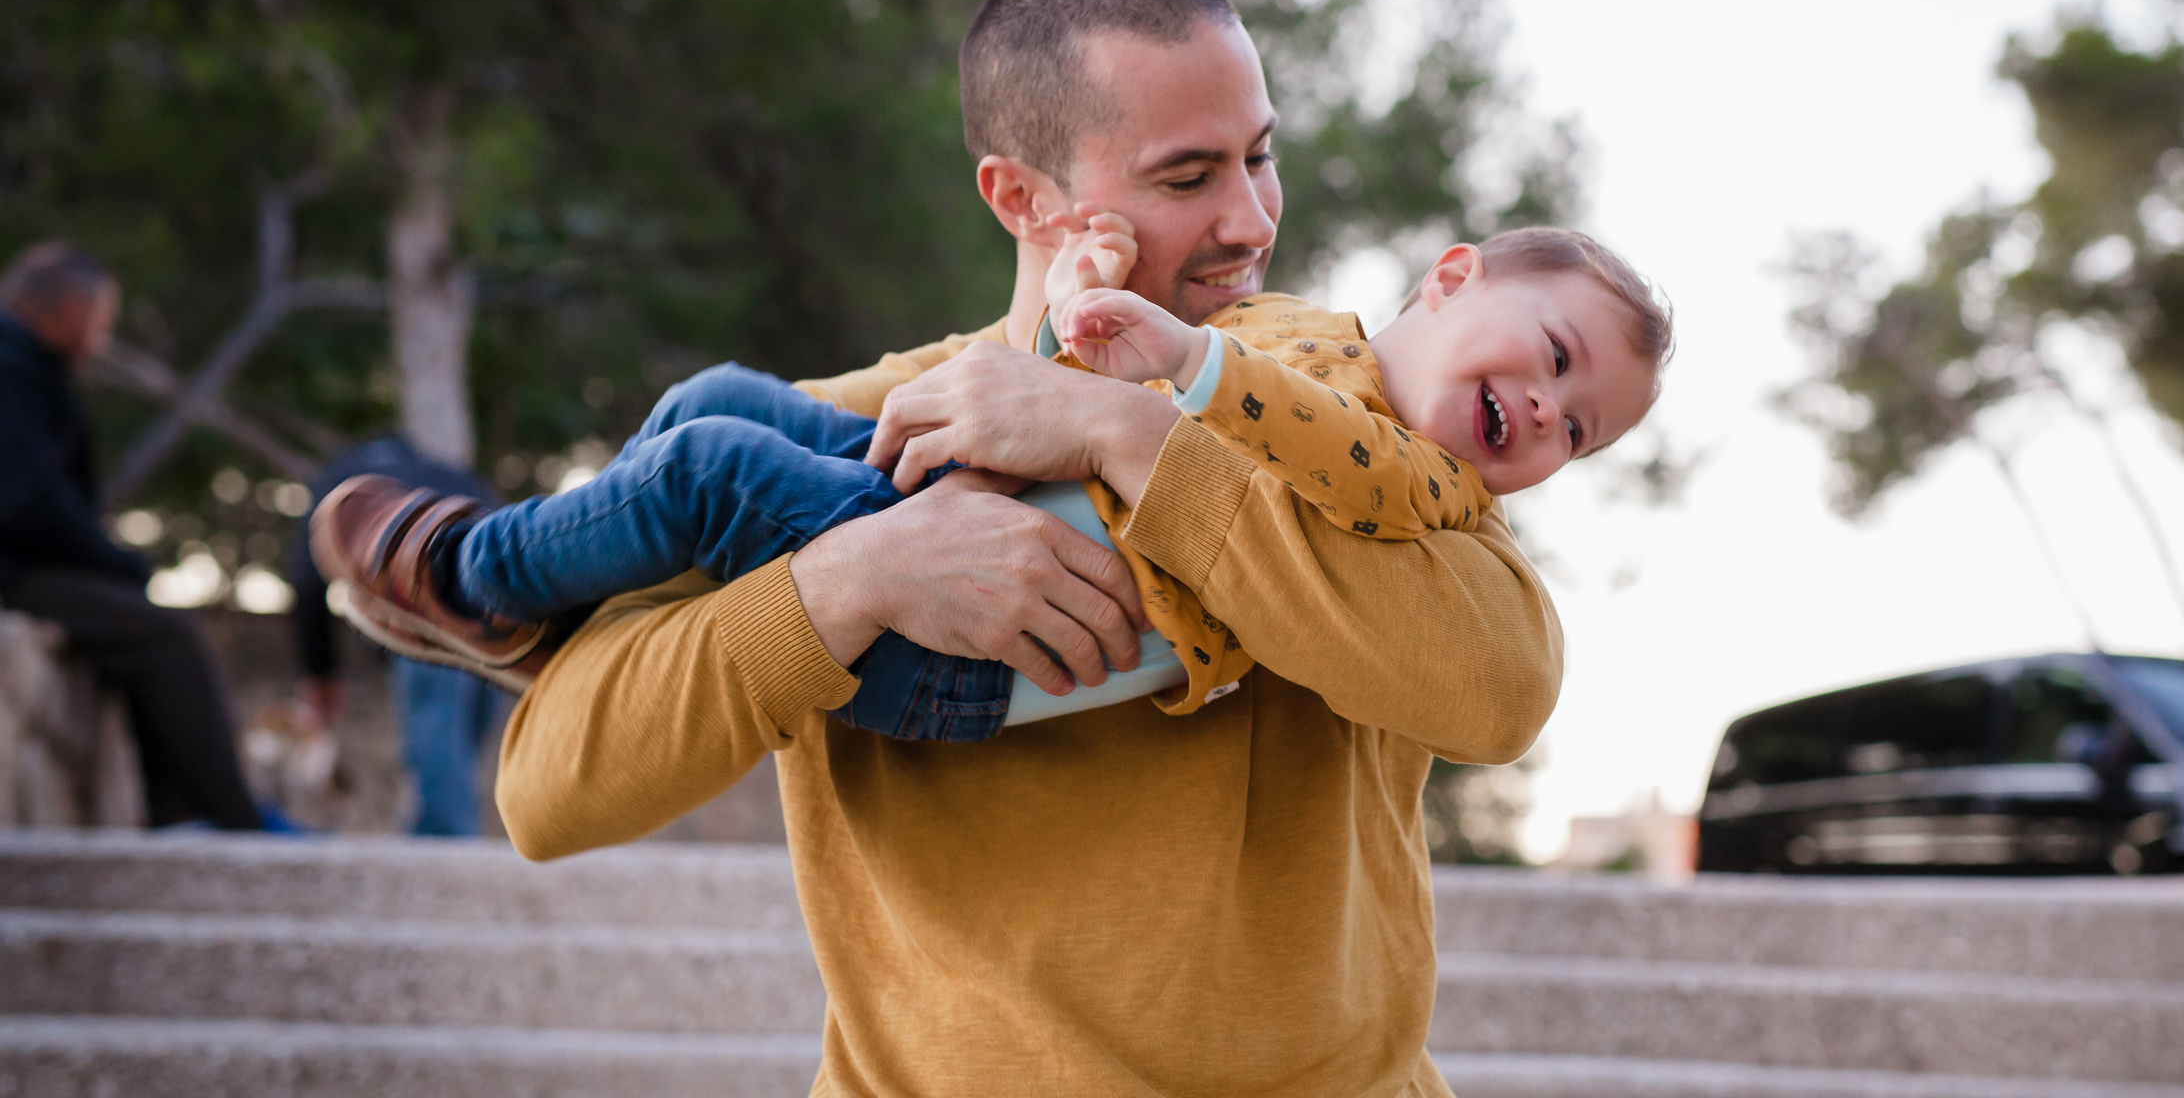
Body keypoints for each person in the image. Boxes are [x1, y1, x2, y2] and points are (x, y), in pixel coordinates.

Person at [492, 0, 1639, 1098]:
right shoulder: (861, 424)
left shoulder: (1338, 417)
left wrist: (1129, 434)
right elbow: (550, 785)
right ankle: (453, 558)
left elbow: (1501, 680)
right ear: (1023, 195)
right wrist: (858, 575)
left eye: (1260, 159)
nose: (1250, 218)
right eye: (1187, 175)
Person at [309, 217, 1664, 742]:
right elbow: (1055, 388)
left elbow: (1326, 456)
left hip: (985, 658)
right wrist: (1080, 304)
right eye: (1554, 357)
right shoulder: (1292, 333)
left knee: (717, 462)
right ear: (1451, 275)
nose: (1548, 412)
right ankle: (572, 609)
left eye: (1582, 431)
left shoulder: (1425, 484)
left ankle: (475, 573)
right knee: (722, 402)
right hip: (950, 525)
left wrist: (1176, 366)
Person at [0, 241, 268, 831]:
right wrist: (118, 564)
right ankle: (228, 818)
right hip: (14, 573)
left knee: (148, 626)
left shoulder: (27, 370)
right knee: (166, 635)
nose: (100, 340)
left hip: (23, 564)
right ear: (69, 309)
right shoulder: (12, 369)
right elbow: (28, 502)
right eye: (100, 322)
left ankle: (183, 809)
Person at [286, 436, 510, 837]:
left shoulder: (339, 483)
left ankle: (444, 845)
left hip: (422, 614)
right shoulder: (453, 475)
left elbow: (307, 580)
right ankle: (452, 831)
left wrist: (320, 673)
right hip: (500, 618)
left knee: (437, 734)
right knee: (460, 742)